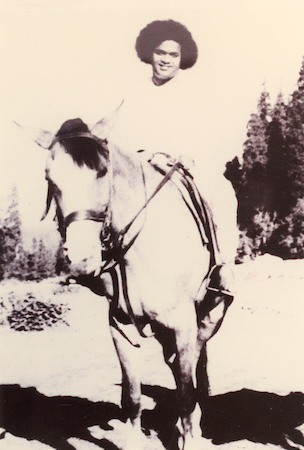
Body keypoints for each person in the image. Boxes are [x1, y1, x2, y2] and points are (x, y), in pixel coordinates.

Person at [108, 20, 239, 280]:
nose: (166, 60)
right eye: (160, 52)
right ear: (149, 54)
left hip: (187, 167)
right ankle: (98, 265)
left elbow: (215, 133)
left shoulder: (198, 92)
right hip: (143, 168)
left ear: (182, 58)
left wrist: (191, 155)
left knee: (221, 195)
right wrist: (144, 155)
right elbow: (120, 138)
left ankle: (222, 270)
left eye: (173, 54)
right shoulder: (134, 93)